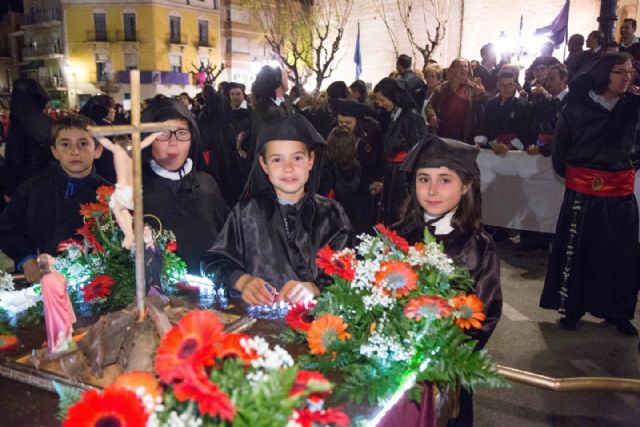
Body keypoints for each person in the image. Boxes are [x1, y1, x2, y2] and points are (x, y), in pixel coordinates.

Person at [392, 135, 502, 426]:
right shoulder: (396, 237)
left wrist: (443, 351)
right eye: (423, 178)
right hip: (390, 369)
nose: (431, 190)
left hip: (447, 368)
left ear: (466, 185)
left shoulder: (478, 246)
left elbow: (485, 313)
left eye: (445, 180)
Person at [201, 114, 353, 305]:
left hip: (317, 324)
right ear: (264, 165)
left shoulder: (332, 214)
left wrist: (315, 287)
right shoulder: (248, 211)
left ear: (311, 160)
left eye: (297, 158)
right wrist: (242, 280)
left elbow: (347, 270)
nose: (288, 168)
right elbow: (213, 261)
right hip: (259, 322)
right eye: (276, 160)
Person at [540, 53, 640, 336]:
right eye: (620, 72)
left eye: (630, 72)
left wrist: (623, 166)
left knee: (620, 255)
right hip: (583, 195)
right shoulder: (578, 106)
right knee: (579, 253)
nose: (626, 77)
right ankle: (572, 309)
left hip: (619, 196)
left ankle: (618, 312)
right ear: (604, 74)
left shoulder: (635, 106)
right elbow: (561, 149)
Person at [0, 114, 106, 283]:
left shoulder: (110, 195)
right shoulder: (32, 189)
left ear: (98, 150)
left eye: (83, 144)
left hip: (96, 285)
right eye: (65, 144)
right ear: (55, 151)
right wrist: (27, 261)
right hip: (44, 282)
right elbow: (9, 228)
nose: (74, 151)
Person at [141, 96, 229, 274]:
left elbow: (227, 242)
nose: (173, 143)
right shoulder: (134, 192)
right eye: (163, 134)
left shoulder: (207, 184)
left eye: (182, 133)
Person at [374, 77, 427, 225]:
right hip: (393, 172)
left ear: (393, 96)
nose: (381, 104)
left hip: (404, 175)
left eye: (383, 99)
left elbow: (418, 147)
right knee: (390, 211)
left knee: (401, 212)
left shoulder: (412, 117)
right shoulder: (393, 116)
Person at [92, 133, 159, 249]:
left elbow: (105, 142)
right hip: (134, 190)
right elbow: (147, 141)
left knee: (117, 209)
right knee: (121, 210)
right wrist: (157, 133)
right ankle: (130, 234)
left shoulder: (117, 150)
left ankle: (129, 235)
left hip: (125, 190)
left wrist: (96, 133)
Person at [332, 99, 385, 232]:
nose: (343, 126)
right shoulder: (334, 131)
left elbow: (379, 157)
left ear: (357, 120)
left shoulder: (372, 129)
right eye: (340, 122)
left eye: (348, 122)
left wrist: (378, 180)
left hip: (365, 184)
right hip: (341, 185)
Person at [1, 79, 54, 201]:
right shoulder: (49, 122)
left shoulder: (19, 123)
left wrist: (10, 189)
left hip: (24, 186)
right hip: (50, 183)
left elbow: (14, 157)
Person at [426, 58, 487, 145]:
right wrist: (432, 115)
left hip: (465, 137)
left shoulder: (473, 88)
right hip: (442, 135)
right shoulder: (442, 88)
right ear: (452, 69)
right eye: (460, 67)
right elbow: (430, 105)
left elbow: (483, 111)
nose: (463, 69)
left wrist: (483, 94)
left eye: (465, 67)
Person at [475, 71, 532, 157]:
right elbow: (484, 126)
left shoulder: (524, 105)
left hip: (515, 153)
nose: (506, 88)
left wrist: (508, 146)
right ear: (498, 85)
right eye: (503, 85)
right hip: (492, 150)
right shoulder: (491, 103)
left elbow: (526, 131)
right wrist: (479, 144)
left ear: (515, 85)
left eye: (510, 85)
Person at [528, 64, 569, 158]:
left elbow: (567, 136)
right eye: (547, 79)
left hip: (562, 156)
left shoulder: (572, 101)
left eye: (552, 79)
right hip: (542, 154)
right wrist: (535, 145)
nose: (548, 83)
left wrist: (544, 148)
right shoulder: (546, 100)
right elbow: (539, 128)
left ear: (563, 79)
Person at [39, 253, 77, 355]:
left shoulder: (44, 278)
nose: (53, 258)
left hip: (52, 307)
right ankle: (62, 347)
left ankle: (63, 345)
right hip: (59, 306)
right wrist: (63, 281)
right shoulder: (53, 277)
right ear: (48, 263)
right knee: (62, 324)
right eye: (51, 258)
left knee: (57, 324)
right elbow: (60, 291)